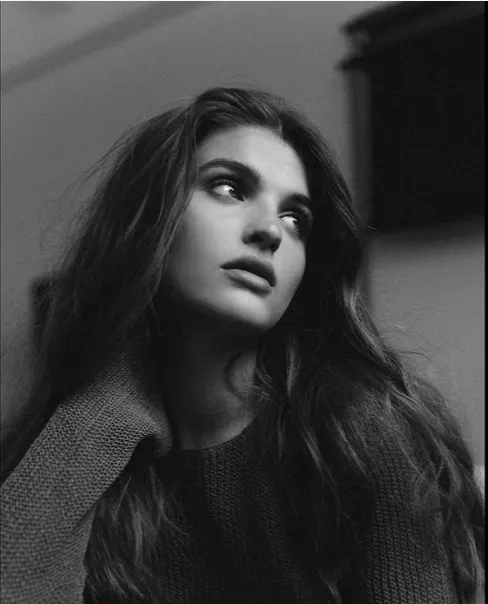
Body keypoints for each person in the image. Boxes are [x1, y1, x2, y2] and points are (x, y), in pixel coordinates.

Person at [0, 87, 484, 604]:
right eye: (229, 188)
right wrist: (104, 411)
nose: (271, 231)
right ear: (149, 216)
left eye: (296, 220)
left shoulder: (360, 432)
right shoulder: (92, 442)